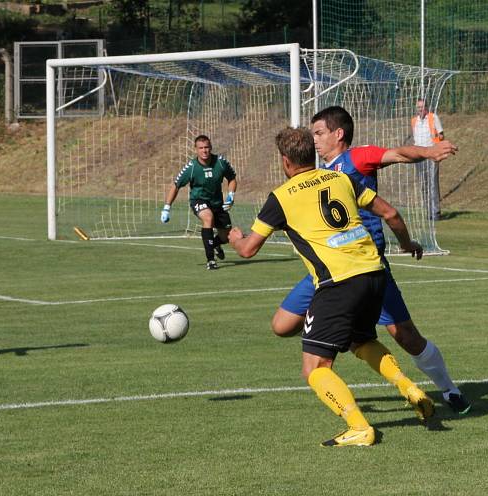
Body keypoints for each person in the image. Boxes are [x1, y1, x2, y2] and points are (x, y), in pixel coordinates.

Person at [229, 126, 432, 447]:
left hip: (338, 283)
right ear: (311, 153)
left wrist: (235, 238)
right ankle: (409, 387)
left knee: (314, 368)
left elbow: (248, 250)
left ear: (285, 161)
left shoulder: (281, 197)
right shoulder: (341, 179)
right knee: (360, 340)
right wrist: (407, 244)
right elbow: (390, 213)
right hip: (374, 272)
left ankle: (359, 427)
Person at [273, 105, 470, 414]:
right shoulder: (315, 176)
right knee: (283, 325)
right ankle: (338, 326)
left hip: (366, 265)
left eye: (319, 133)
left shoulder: (356, 159)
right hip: (329, 272)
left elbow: (398, 154)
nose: (314, 140)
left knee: (404, 335)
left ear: (338, 134)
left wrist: (429, 151)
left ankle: (449, 390)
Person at [160, 135, 237, 270]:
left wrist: (231, 195)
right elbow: (176, 185)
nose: (204, 151)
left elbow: (232, 178)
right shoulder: (191, 167)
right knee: (208, 217)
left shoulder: (220, 162)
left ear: (211, 147)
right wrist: (167, 208)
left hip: (217, 203)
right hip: (199, 200)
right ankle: (211, 260)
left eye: (206, 147)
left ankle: (214, 243)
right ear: (196, 149)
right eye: (201, 148)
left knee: (226, 236)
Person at [411, 98, 445, 220]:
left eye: (422, 107)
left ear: (426, 108)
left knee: (432, 184)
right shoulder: (414, 121)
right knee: (424, 185)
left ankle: (436, 212)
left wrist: (436, 138)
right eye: (418, 107)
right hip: (419, 156)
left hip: (431, 154)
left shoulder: (433, 117)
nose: (420, 109)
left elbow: (441, 135)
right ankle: (428, 211)